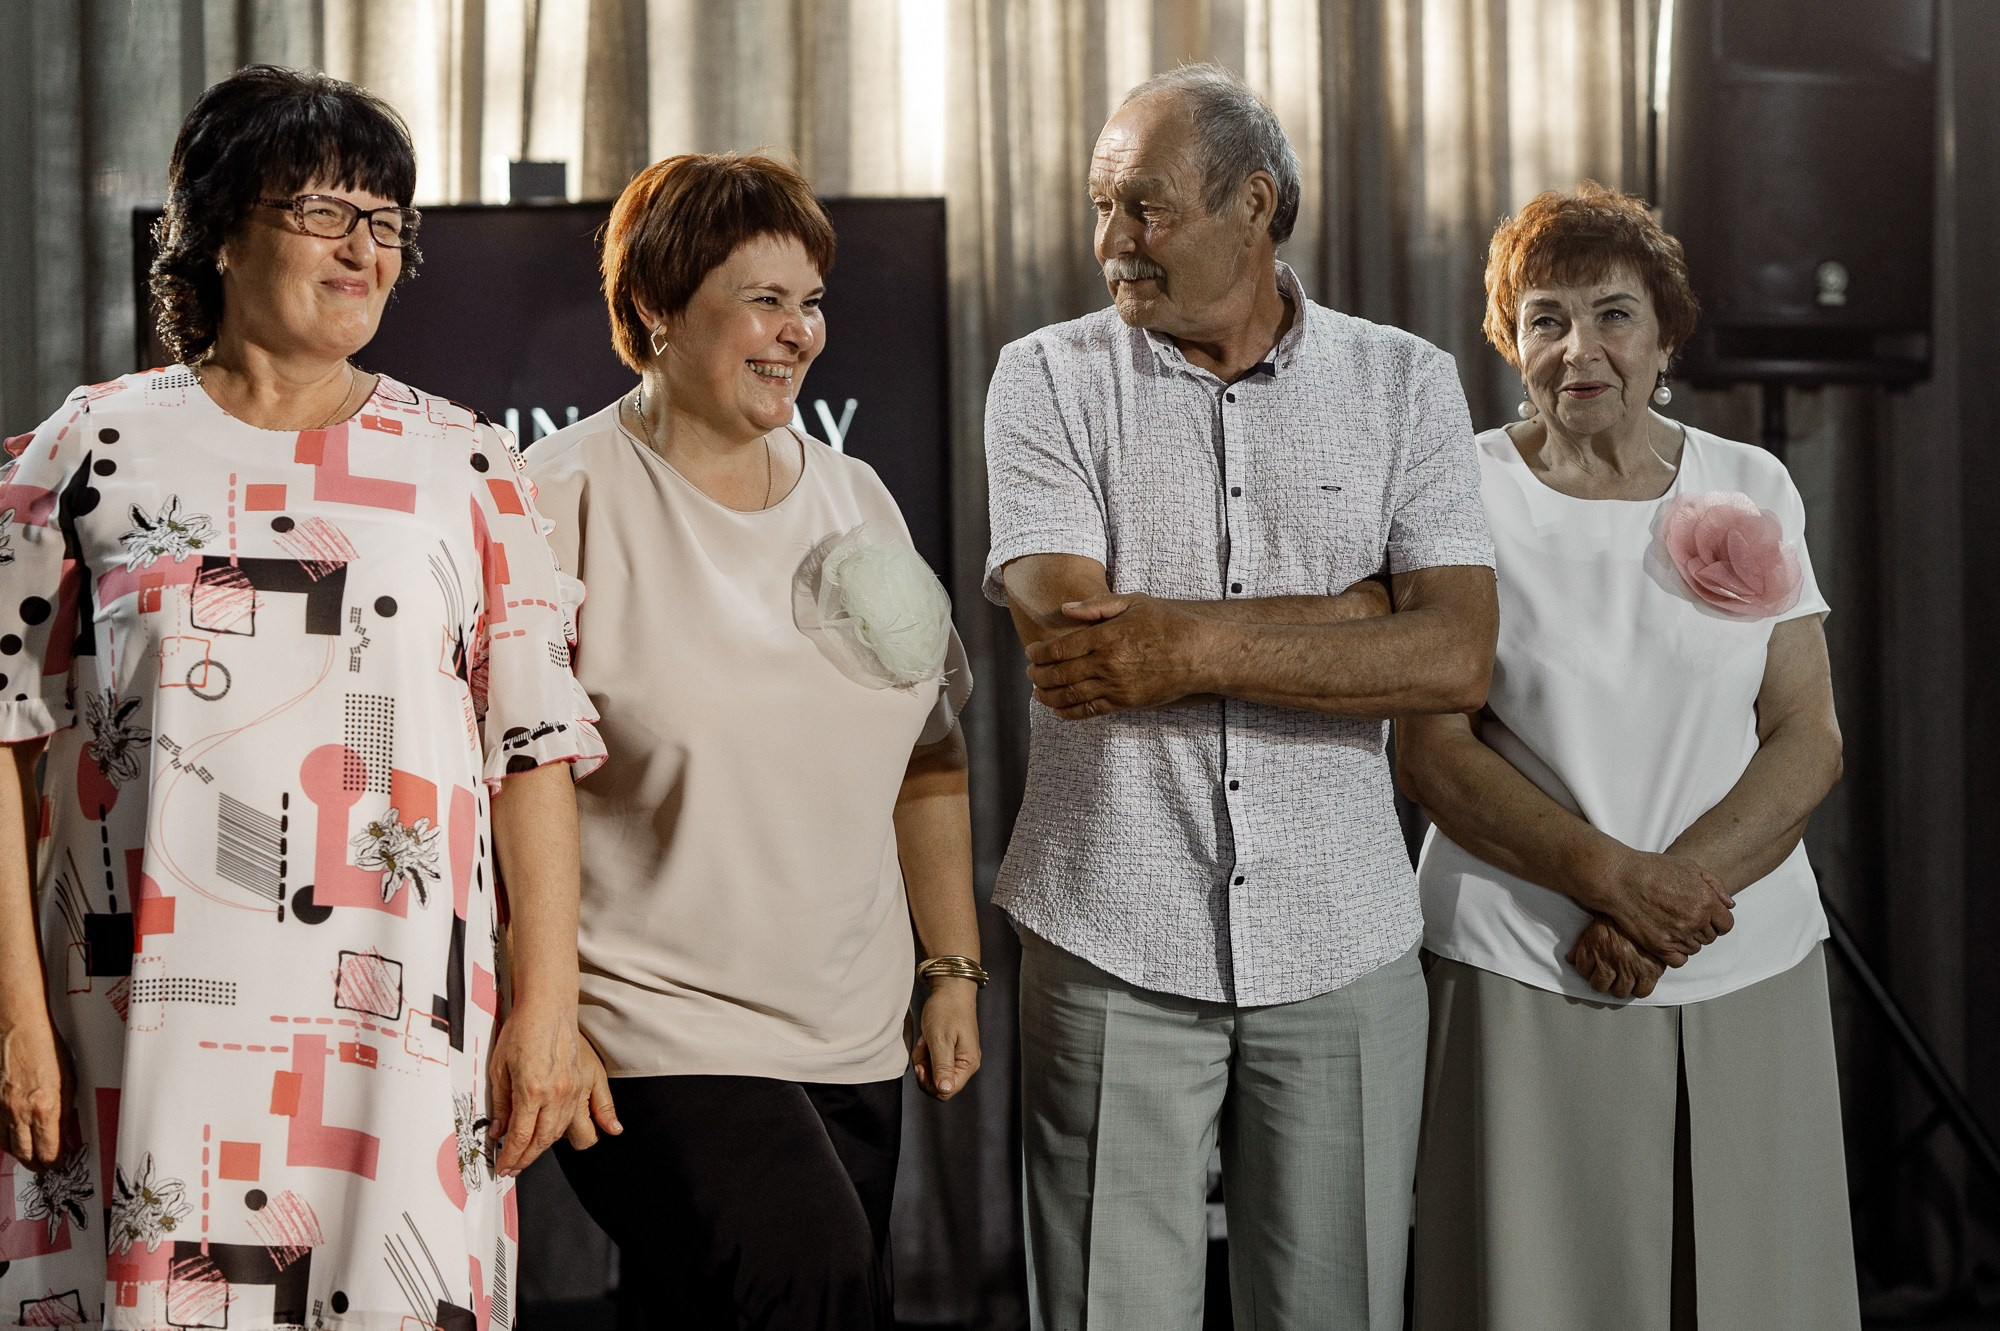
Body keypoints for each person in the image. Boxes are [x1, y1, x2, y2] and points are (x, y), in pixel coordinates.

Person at [0, 65, 605, 1329]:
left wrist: (548, 1007)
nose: (365, 247)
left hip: (401, 1024)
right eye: (326, 210)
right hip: (132, 1022)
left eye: (386, 221)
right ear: (220, 232)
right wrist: (12, 1014)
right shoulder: (90, 447)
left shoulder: (467, 462)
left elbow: (531, 749)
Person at [983, 64, 1498, 1330]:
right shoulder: (1044, 378)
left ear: (1253, 203)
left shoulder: (1407, 382)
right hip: (1108, 930)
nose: (1112, 243)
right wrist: (1354, 616)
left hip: (1342, 944)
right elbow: (1081, 642)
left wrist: (1192, 642)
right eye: (1099, 207)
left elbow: (1453, 657)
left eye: (1143, 209)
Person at [528, 151, 981, 1331]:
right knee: (811, 1285)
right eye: (763, 299)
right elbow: (494, 794)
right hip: (654, 1026)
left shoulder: (856, 496)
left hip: (850, 1025)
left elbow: (926, 752)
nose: (798, 332)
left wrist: (949, 965)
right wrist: (540, 1013)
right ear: (657, 310)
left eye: (811, 301)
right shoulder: (554, 500)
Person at [1398, 181, 1858, 1330]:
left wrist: (1668, 896)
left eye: (1612, 314)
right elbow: (1430, 748)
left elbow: (1806, 735)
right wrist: (1612, 886)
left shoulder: (1748, 484)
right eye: (1544, 317)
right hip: (1523, 963)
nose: (1579, 347)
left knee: (1760, 1288)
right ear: (1508, 343)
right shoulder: (1453, 489)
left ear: (1662, 338)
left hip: (1744, 956)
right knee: (1538, 1292)